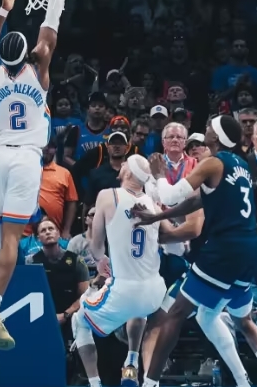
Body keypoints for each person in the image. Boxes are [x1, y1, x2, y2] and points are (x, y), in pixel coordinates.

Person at [134, 115, 257, 387]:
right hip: (249, 248)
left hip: (224, 249)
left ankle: (150, 383)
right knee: (235, 319)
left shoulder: (213, 162)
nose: (204, 130)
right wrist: (157, 218)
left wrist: (158, 174)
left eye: (208, 127)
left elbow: (169, 196)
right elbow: (198, 201)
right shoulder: (240, 164)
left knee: (176, 313)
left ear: (215, 136)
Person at [0, 0, 73, 354]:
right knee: (12, 238)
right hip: (26, 160)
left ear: (3, 56)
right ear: (27, 53)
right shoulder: (40, 63)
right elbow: (53, 17)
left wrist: (3, 9)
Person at [70, 155, 183, 387]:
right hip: (154, 292)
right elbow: (177, 244)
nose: (120, 165)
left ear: (129, 172)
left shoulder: (107, 195)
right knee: (138, 311)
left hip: (124, 291)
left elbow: (96, 243)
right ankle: (131, 362)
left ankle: (95, 383)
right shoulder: (152, 202)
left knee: (79, 321)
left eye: (124, 164)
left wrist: (100, 259)